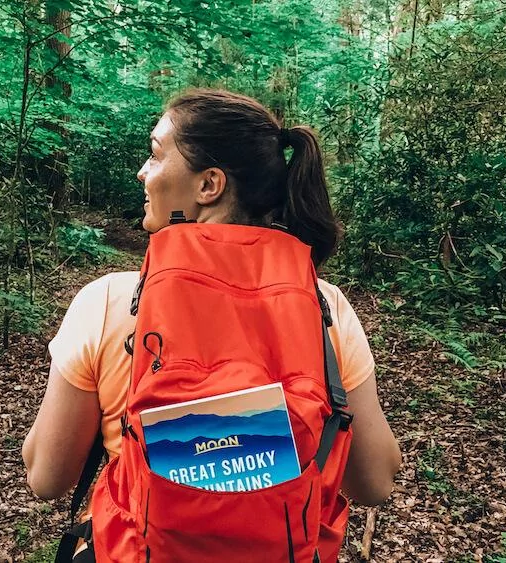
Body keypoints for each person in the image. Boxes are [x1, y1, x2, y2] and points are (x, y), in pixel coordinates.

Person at [22, 89, 400, 524]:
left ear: (208, 185)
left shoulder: (109, 302)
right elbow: (375, 482)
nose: (142, 172)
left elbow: (46, 477)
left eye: (156, 155)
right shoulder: (322, 306)